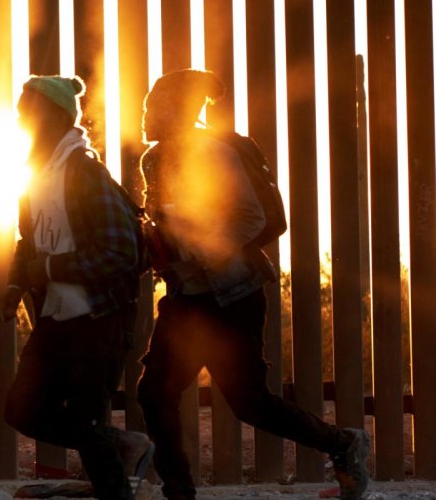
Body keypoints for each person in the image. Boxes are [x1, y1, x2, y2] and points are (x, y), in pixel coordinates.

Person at [135, 69, 370, 500]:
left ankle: (344, 444)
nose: (144, 113)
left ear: (177, 111)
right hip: (186, 298)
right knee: (154, 392)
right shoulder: (154, 159)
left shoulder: (211, 152)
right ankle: (179, 491)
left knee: (248, 402)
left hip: (232, 296)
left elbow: (252, 220)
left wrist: (190, 246)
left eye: (152, 106)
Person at [0, 76, 153, 500]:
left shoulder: (85, 172)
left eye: (25, 108)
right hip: (57, 319)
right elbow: (27, 242)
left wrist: (48, 268)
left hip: (99, 318)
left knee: (87, 425)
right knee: (21, 408)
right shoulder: (34, 176)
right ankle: (122, 444)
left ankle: (115, 472)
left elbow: (120, 252)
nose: (18, 117)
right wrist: (15, 284)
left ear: (54, 115)